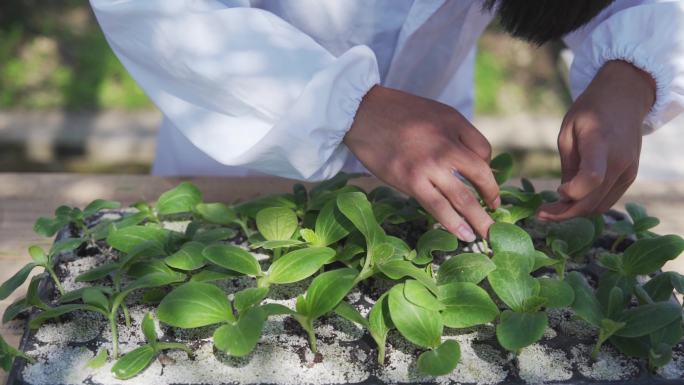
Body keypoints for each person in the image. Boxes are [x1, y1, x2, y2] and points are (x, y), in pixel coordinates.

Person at [90, 0, 684, 242]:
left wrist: (632, 74)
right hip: (236, 151)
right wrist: (349, 105)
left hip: (429, 175)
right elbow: (158, 10)